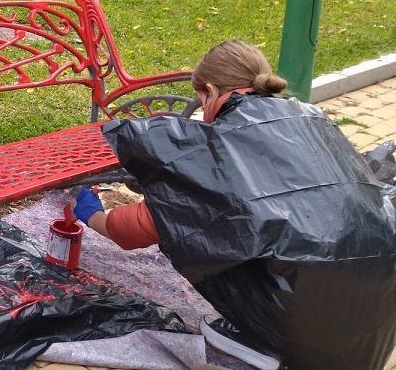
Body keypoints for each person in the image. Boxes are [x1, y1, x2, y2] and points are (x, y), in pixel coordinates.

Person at [76, 40, 396, 370]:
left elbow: (140, 227)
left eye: (202, 101)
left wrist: (92, 214)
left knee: (204, 236)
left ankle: (262, 343)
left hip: (307, 332)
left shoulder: (221, 146)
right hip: (378, 316)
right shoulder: (311, 117)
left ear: (211, 91)